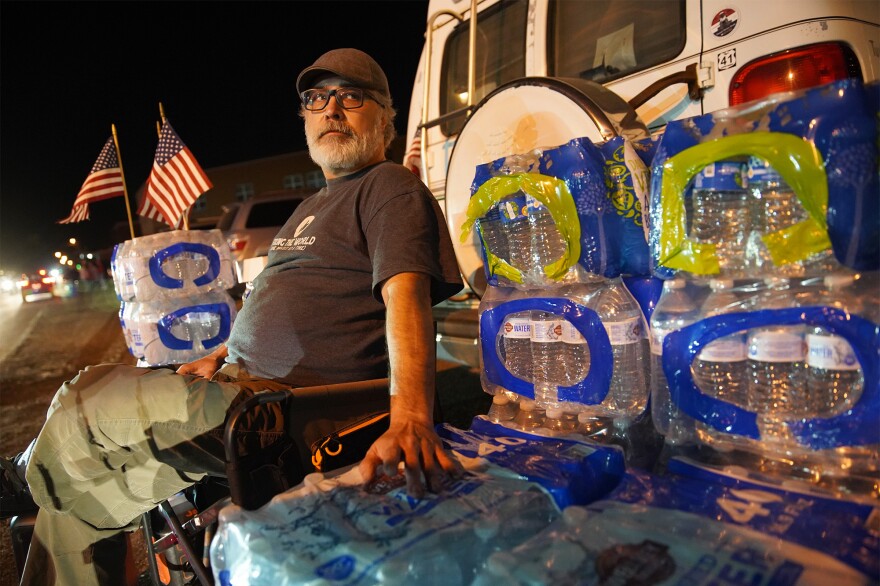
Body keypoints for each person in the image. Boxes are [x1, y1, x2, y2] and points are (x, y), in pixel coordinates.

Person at [1, 47, 465, 585]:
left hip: (278, 416)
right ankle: (37, 480)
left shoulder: (389, 186)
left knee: (85, 395)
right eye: (317, 99)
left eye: (350, 97)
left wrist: (411, 415)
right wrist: (220, 353)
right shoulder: (312, 204)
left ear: (385, 117)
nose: (331, 109)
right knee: (76, 504)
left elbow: (405, 293)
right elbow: (290, 296)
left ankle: (17, 475)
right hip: (232, 389)